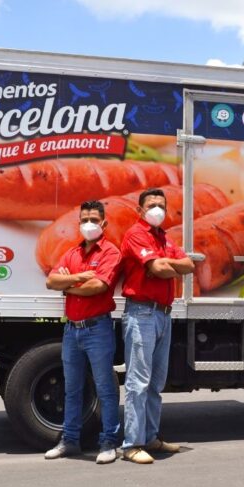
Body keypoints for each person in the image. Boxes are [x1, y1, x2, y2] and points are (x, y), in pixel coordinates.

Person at [119, 188, 194, 464]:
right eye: (151, 204)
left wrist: (164, 265)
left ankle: (150, 438)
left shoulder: (163, 238)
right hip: (142, 314)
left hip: (163, 315)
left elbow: (188, 265)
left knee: (155, 382)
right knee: (138, 382)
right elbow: (164, 269)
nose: (157, 209)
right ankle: (132, 445)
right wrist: (163, 267)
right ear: (140, 210)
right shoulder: (135, 234)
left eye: (161, 205)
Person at [44, 200, 121, 464]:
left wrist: (68, 284)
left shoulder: (111, 252)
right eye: (85, 219)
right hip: (72, 330)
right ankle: (70, 441)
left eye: (94, 220)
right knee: (72, 389)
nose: (89, 224)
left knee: (105, 388)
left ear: (104, 224)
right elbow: (50, 280)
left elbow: (98, 286)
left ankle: (109, 441)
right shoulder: (72, 252)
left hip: (97, 328)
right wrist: (79, 277)